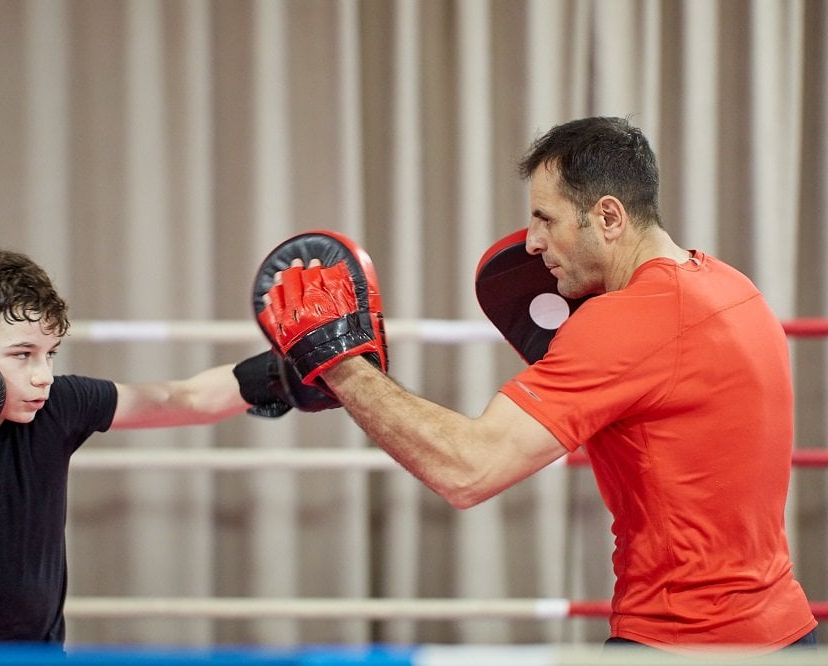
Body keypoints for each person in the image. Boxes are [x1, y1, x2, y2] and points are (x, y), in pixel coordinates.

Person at [256, 117, 818, 653]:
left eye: (545, 219)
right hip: (785, 633)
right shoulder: (730, 286)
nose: (530, 242)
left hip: (685, 645)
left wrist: (341, 364)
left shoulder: (631, 321)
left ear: (609, 217)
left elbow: (466, 470)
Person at [0, 242, 326, 644]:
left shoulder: (56, 407)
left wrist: (290, 370)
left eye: (49, 354)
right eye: (22, 355)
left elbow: (179, 398)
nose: (42, 376)